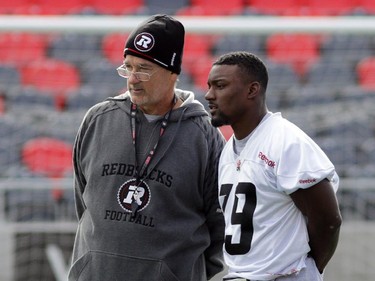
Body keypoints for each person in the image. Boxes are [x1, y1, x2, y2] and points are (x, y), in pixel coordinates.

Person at [68, 14, 226, 281]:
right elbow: (84, 201)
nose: (132, 79)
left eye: (144, 69)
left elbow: (218, 224)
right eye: (127, 67)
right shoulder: (97, 120)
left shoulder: (205, 136)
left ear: (173, 73)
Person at [205, 51, 342, 281]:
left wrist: (307, 269)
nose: (209, 95)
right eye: (209, 86)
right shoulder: (229, 148)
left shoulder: (285, 142)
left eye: (220, 85)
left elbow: (328, 220)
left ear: (252, 90)